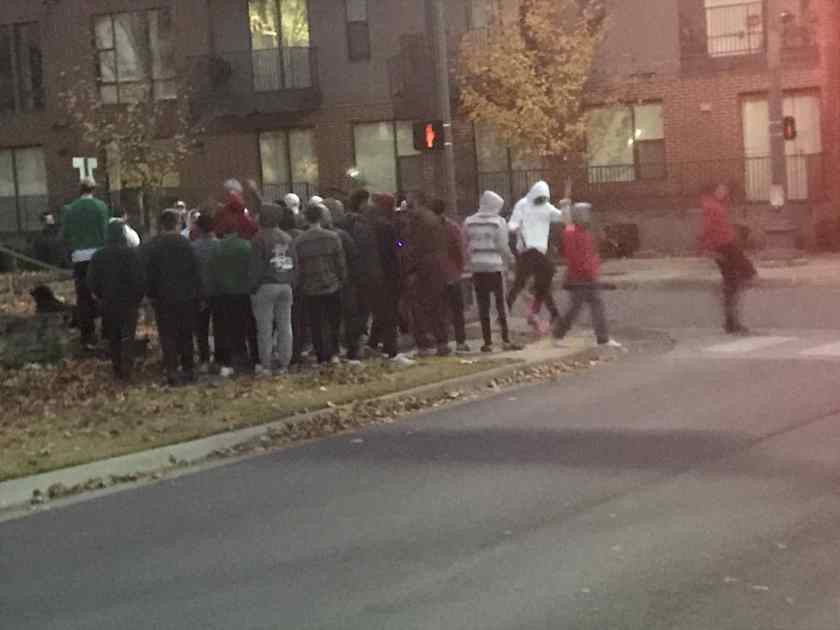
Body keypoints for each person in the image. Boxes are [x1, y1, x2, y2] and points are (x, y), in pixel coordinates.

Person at [143, 209, 202, 386]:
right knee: (185, 333)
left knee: (167, 334)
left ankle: (172, 370)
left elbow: (147, 273)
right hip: (186, 296)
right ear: (177, 224)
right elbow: (195, 271)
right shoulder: (186, 245)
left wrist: (150, 293)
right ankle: (188, 369)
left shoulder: (152, 246)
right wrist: (198, 293)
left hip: (163, 297)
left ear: (161, 224)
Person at [552, 203, 621, 348]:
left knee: (596, 305)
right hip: (578, 278)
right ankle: (558, 334)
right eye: (585, 214)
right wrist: (589, 269)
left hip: (588, 276)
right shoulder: (571, 233)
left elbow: (590, 253)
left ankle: (603, 338)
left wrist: (594, 266)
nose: (588, 216)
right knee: (575, 308)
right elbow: (575, 257)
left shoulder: (584, 233)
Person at [464, 191, 523, 353]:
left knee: (483, 306)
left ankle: (487, 342)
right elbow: (502, 246)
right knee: (500, 305)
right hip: (495, 268)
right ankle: (505, 339)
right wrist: (511, 260)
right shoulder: (499, 222)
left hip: (477, 268)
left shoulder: (469, 221)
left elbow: (465, 244)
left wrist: (470, 261)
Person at [507, 181, 569, 334]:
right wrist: (515, 228)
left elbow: (564, 220)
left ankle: (551, 313)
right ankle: (507, 309)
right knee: (521, 282)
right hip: (526, 250)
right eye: (539, 198)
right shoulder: (522, 204)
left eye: (543, 198)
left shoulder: (547, 207)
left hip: (540, 251)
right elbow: (512, 223)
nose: (541, 201)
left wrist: (565, 206)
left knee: (543, 283)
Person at [87, 220, 146, 381]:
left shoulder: (99, 256)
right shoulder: (132, 254)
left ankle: (117, 367)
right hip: (129, 302)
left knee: (113, 336)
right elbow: (140, 279)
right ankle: (127, 367)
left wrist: (101, 296)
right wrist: (137, 298)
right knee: (128, 335)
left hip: (108, 301)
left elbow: (92, 281)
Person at [61, 177, 111, 350]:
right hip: (99, 255)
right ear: (93, 189)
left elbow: (65, 235)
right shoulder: (101, 207)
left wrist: (70, 252)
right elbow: (106, 231)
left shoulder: (70, 209)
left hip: (79, 257)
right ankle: (107, 331)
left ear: (79, 190)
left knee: (83, 296)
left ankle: (87, 335)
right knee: (104, 293)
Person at [294, 202, 347, 365]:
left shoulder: (299, 241)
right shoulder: (332, 237)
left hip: (310, 287)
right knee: (333, 320)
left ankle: (320, 355)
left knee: (316, 323)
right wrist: (342, 278)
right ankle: (334, 351)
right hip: (331, 284)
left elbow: (298, 266)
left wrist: (301, 283)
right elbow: (340, 262)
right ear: (321, 217)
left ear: (306, 218)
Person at [701, 182, 756, 334]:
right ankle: (731, 321)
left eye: (725, 190)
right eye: (721, 189)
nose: (724, 192)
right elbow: (708, 229)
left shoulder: (715, 205)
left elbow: (717, 227)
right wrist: (709, 249)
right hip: (724, 246)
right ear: (714, 191)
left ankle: (731, 321)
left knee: (735, 279)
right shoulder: (710, 206)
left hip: (726, 245)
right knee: (746, 272)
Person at [366, 193, 414, 366]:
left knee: (382, 312)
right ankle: (390, 349)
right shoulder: (387, 227)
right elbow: (396, 248)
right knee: (390, 313)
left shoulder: (371, 224)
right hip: (389, 275)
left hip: (375, 274)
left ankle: (372, 343)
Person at [249, 203, 297, 377]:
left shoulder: (259, 238)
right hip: (286, 284)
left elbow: (256, 267)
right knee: (285, 326)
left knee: (264, 328)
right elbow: (294, 264)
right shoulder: (287, 237)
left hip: (266, 285)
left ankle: (266, 365)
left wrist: (252, 287)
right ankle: (285, 363)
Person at [404, 192, 450, 357]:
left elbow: (410, 245)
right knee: (438, 307)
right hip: (438, 266)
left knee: (419, 309)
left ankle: (423, 345)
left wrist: (409, 268)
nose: (407, 207)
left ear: (417, 202)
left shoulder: (416, 221)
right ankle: (442, 342)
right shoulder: (435, 219)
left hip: (422, 268)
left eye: (410, 203)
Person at [209, 223, 255, 378]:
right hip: (244, 292)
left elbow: (213, 271)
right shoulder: (246, 246)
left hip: (223, 293)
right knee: (249, 326)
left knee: (225, 328)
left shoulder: (217, 247)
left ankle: (227, 362)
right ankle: (254, 359)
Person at [322, 201, 363, 363]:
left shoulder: (317, 237)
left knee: (329, 319)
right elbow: (354, 256)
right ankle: (352, 348)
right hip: (345, 281)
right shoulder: (343, 235)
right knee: (349, 316)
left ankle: (332, 351)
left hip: (327, 283)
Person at [431, 198, 470, 353]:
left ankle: (442, 342)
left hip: (434, 274)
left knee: (439, 310)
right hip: (452, 273)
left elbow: (405, 244)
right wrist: (460, 268)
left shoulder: (426, 228)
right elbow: (459, 249)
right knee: (457, 309)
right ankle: (460, 341)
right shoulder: (452, 227)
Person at [191, 213, 219, 373]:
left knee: (201, 329)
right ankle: (221, 357)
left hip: (200, 292)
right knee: (220, 326)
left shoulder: (193, 248)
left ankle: (204, 358)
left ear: (199, 228)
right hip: (219, 291)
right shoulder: (219, 245)